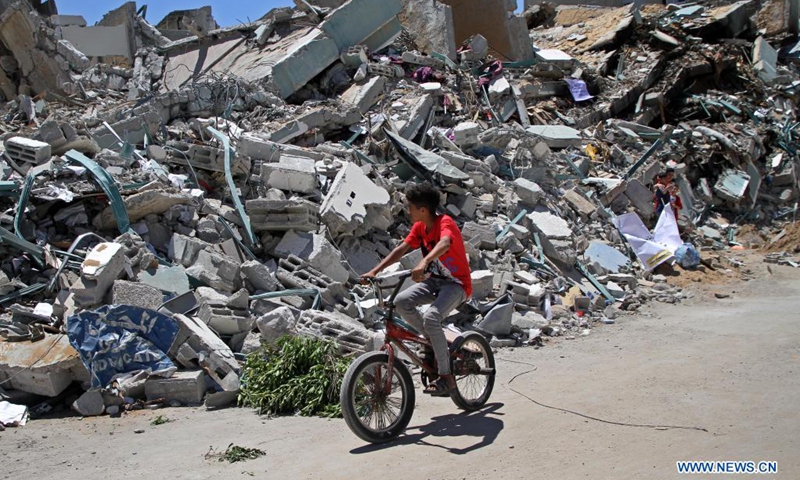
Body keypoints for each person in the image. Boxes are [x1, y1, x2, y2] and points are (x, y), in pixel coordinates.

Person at [362, 183, 472, 397]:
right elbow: (401, 249)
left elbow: (446, 243)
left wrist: (425, 262)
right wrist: (374, 272)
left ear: (423, 210)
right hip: (435, 282)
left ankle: (446, 376)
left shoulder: (445, 223)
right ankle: (431, 340)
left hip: (457, 285)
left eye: (411, 207)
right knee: (402, 301)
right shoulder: (420, 228)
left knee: (432, 317)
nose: (408, 211)